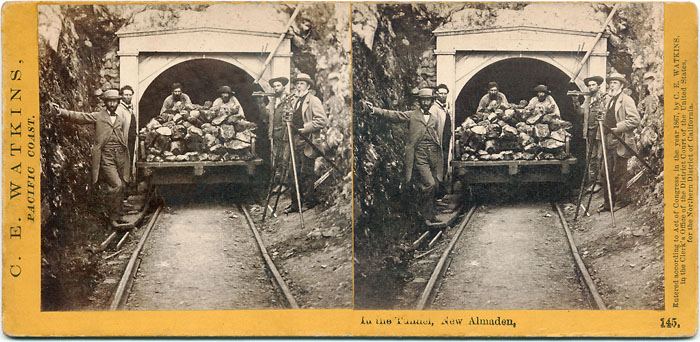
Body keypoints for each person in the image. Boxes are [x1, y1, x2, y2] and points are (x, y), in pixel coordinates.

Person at [50, 89, 130, 227]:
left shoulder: (120, 118)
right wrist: (60, 112)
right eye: (109, 101)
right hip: (106, 156)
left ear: (118, 102)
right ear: (105, 103)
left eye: (114, 101)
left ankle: (118, 215)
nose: (112, 103)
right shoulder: (98, 116)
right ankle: (112, 219)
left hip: (120, 155)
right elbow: (79, 116)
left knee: (122, 185)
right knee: (116, 185)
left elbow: (124, 136)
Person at [364, 88, 443, 223]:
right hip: (419, 154)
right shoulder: (412, 115)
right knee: (429, 183)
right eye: (423, 100)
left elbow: (437, 135)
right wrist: (374, 110)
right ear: (419, 101)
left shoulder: (434, 118)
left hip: (433, 154)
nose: (425, 102)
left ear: (431, 101)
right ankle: (425, 216)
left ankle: (430, 214)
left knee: (434, 184)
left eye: (428, 100)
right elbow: (394, 115)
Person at [285, 73, 328, 213]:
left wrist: (306, 128)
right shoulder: (294, 101)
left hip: (308, 140)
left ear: (308, 86)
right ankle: (295, 204)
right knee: (293, 172)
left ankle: (310, 201)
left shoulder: (313, 100)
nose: (298, 86)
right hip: (295, 140)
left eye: (302, 83)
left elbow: (322, 121)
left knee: (307, 172)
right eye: (297, 83)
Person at [599, 72, 641, 212]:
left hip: (620, 140)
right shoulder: (609, 100)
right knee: (605, 173)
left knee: (619, 173)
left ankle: (621, 200)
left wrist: (618, 128)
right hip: (608, 140)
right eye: (610, 82)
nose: (611, 85)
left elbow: (635, 120)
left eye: (615, 83)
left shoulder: (626, 100)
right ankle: (608, 203)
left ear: (621, 85)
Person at [572, 76, 608, 188]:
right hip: (590, 131)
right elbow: (581, 112)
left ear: (598, 86)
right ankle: (592, 182)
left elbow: (607, 113)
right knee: (591, 157)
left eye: (593, 85)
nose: (591, 87)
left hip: (600, 131)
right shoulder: (588, 99)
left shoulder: (604, 97)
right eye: (589, 85)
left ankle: (600, 182)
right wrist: (575, 100)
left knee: (600, 156)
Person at [430, 84, 453, 200]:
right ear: (437, 94)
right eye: (441, 93)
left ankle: (440, 196)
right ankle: (436, 196)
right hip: (439, 141)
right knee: (438, 167)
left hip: (445, 141)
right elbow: (432, 127)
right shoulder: (434, 109)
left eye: (445, 93)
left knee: (443, 166)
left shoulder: (444, 108)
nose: (443, 95)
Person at [117, 85, 137, 176]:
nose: (128, 97)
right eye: (126, 95)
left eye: (130, 95)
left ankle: (128, 180)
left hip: (132, 139)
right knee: (123, 161)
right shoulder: (120, 109)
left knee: (130, 160)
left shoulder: (131, 109)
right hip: (124, 140)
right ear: (121, 96)